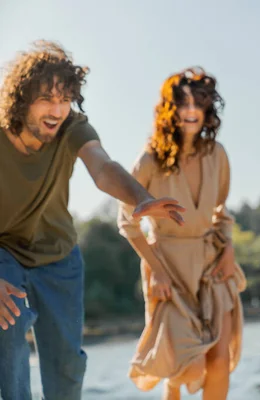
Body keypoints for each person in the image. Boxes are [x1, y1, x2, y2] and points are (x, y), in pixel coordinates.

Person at [0, 40, 185, 400]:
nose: (57, 109)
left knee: (68, 365)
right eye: (46, 99)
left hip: (59, 257)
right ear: (21, 100)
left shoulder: (72, 127)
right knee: (9, 339)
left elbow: (102, 166)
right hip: (4, 251)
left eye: (65, 98)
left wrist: (140, 197)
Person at [117, 67, 246, 400]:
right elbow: (126, 221)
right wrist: (156, 271)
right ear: (169, 110)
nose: (191, 111)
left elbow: (220, 211)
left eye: (198, 104)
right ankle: (172, 388)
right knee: (186, 367)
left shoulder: (217, 155)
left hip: (212, 263)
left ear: (207, 110)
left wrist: (228, 248)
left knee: (219, 360)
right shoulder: (148, 161)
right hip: (168, 269)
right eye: (183, 104)